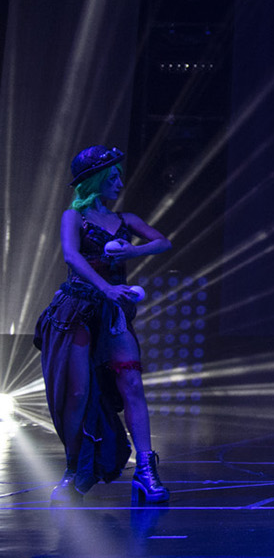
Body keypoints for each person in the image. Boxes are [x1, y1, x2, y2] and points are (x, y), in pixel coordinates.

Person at [33, 146, 172, 502]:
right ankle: (73, 469)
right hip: (77, 309)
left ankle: (146, 470)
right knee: (77, 393)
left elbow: (162, 242)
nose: (119, 184)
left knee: (132, 384)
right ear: (95, 181)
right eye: (112, 178)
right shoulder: (74, 217)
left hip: (113, 314)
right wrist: (106, 288)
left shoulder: (126, 219)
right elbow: (71, 256)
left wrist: (133, 252)